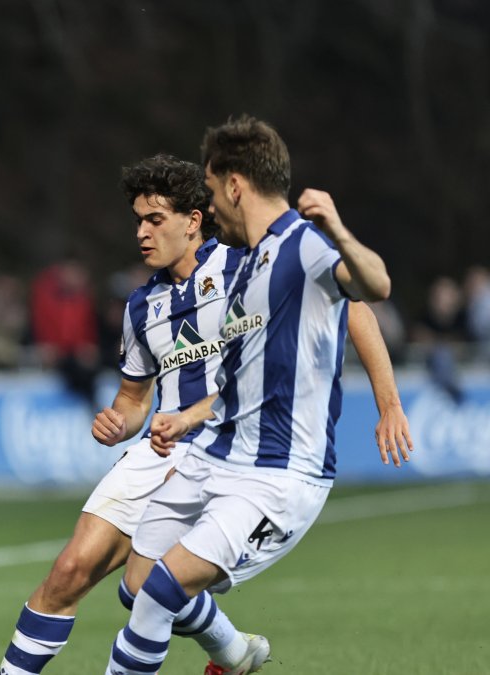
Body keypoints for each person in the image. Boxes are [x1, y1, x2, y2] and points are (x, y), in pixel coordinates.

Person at [0, 155, 413, 675]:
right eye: (137, 221)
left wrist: (389, 403)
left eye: (155, 220)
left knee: (147, 592)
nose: (142, 234)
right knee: (69, 571)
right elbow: (133, 400)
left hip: (232, 448)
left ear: (194, 220)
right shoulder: (139, 306)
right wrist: (117, 422)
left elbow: (353, 307)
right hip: (160, 449)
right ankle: (234, 652)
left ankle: (231, 652)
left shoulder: (245, 263)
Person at [104, 116, 401, 675]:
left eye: (213, 192)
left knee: (164, 590)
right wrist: (189, 418)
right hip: (217, 454)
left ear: (235, 186)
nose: (210, 207)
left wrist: (337, 229)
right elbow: (239, 375)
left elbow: (374, 287)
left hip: (277, 473)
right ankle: (234, 657)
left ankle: (224, 656)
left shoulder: (302, 246)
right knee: (139, 586)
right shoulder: (248, 265)